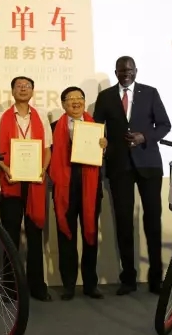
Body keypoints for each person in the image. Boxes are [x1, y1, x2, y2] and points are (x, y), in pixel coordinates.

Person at [93, 56, 171, 295]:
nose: (126, 73)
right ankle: (128, 279)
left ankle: (156, 279)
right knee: (124, 222)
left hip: (149, 165)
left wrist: (144, 137)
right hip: (119, 166)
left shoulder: (150, 93)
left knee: (153, 221)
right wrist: (100, 141)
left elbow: (164, 125)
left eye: (129, 69)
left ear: (136, 71)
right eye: (121, 70)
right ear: (115, 72)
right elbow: (96, 127)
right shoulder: (105, 96)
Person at [0, 76, 53, 302]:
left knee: (35, 235)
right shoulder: (1, 117)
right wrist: (4, 168)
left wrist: (43, 169)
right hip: (10, 182)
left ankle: (37, 286)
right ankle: (9, 286)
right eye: (19, 86)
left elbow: (47, 149)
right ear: (12, 91)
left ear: (33, 91)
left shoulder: (41, 116)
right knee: (10, 235)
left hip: (35, 183)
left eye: (27, 86)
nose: (23, 89)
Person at [49, 86, 107, 301]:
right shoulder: (53, 127)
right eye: (70, 99)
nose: (75, 102)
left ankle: (90, 284)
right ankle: (69, 285)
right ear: (63, 104)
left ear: (84, 101)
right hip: (65, 188)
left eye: (79, 98)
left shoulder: (97, 127)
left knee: (90, 234)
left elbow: (104, 155)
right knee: (66, 235)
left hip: (90, 188)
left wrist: (104, 146)